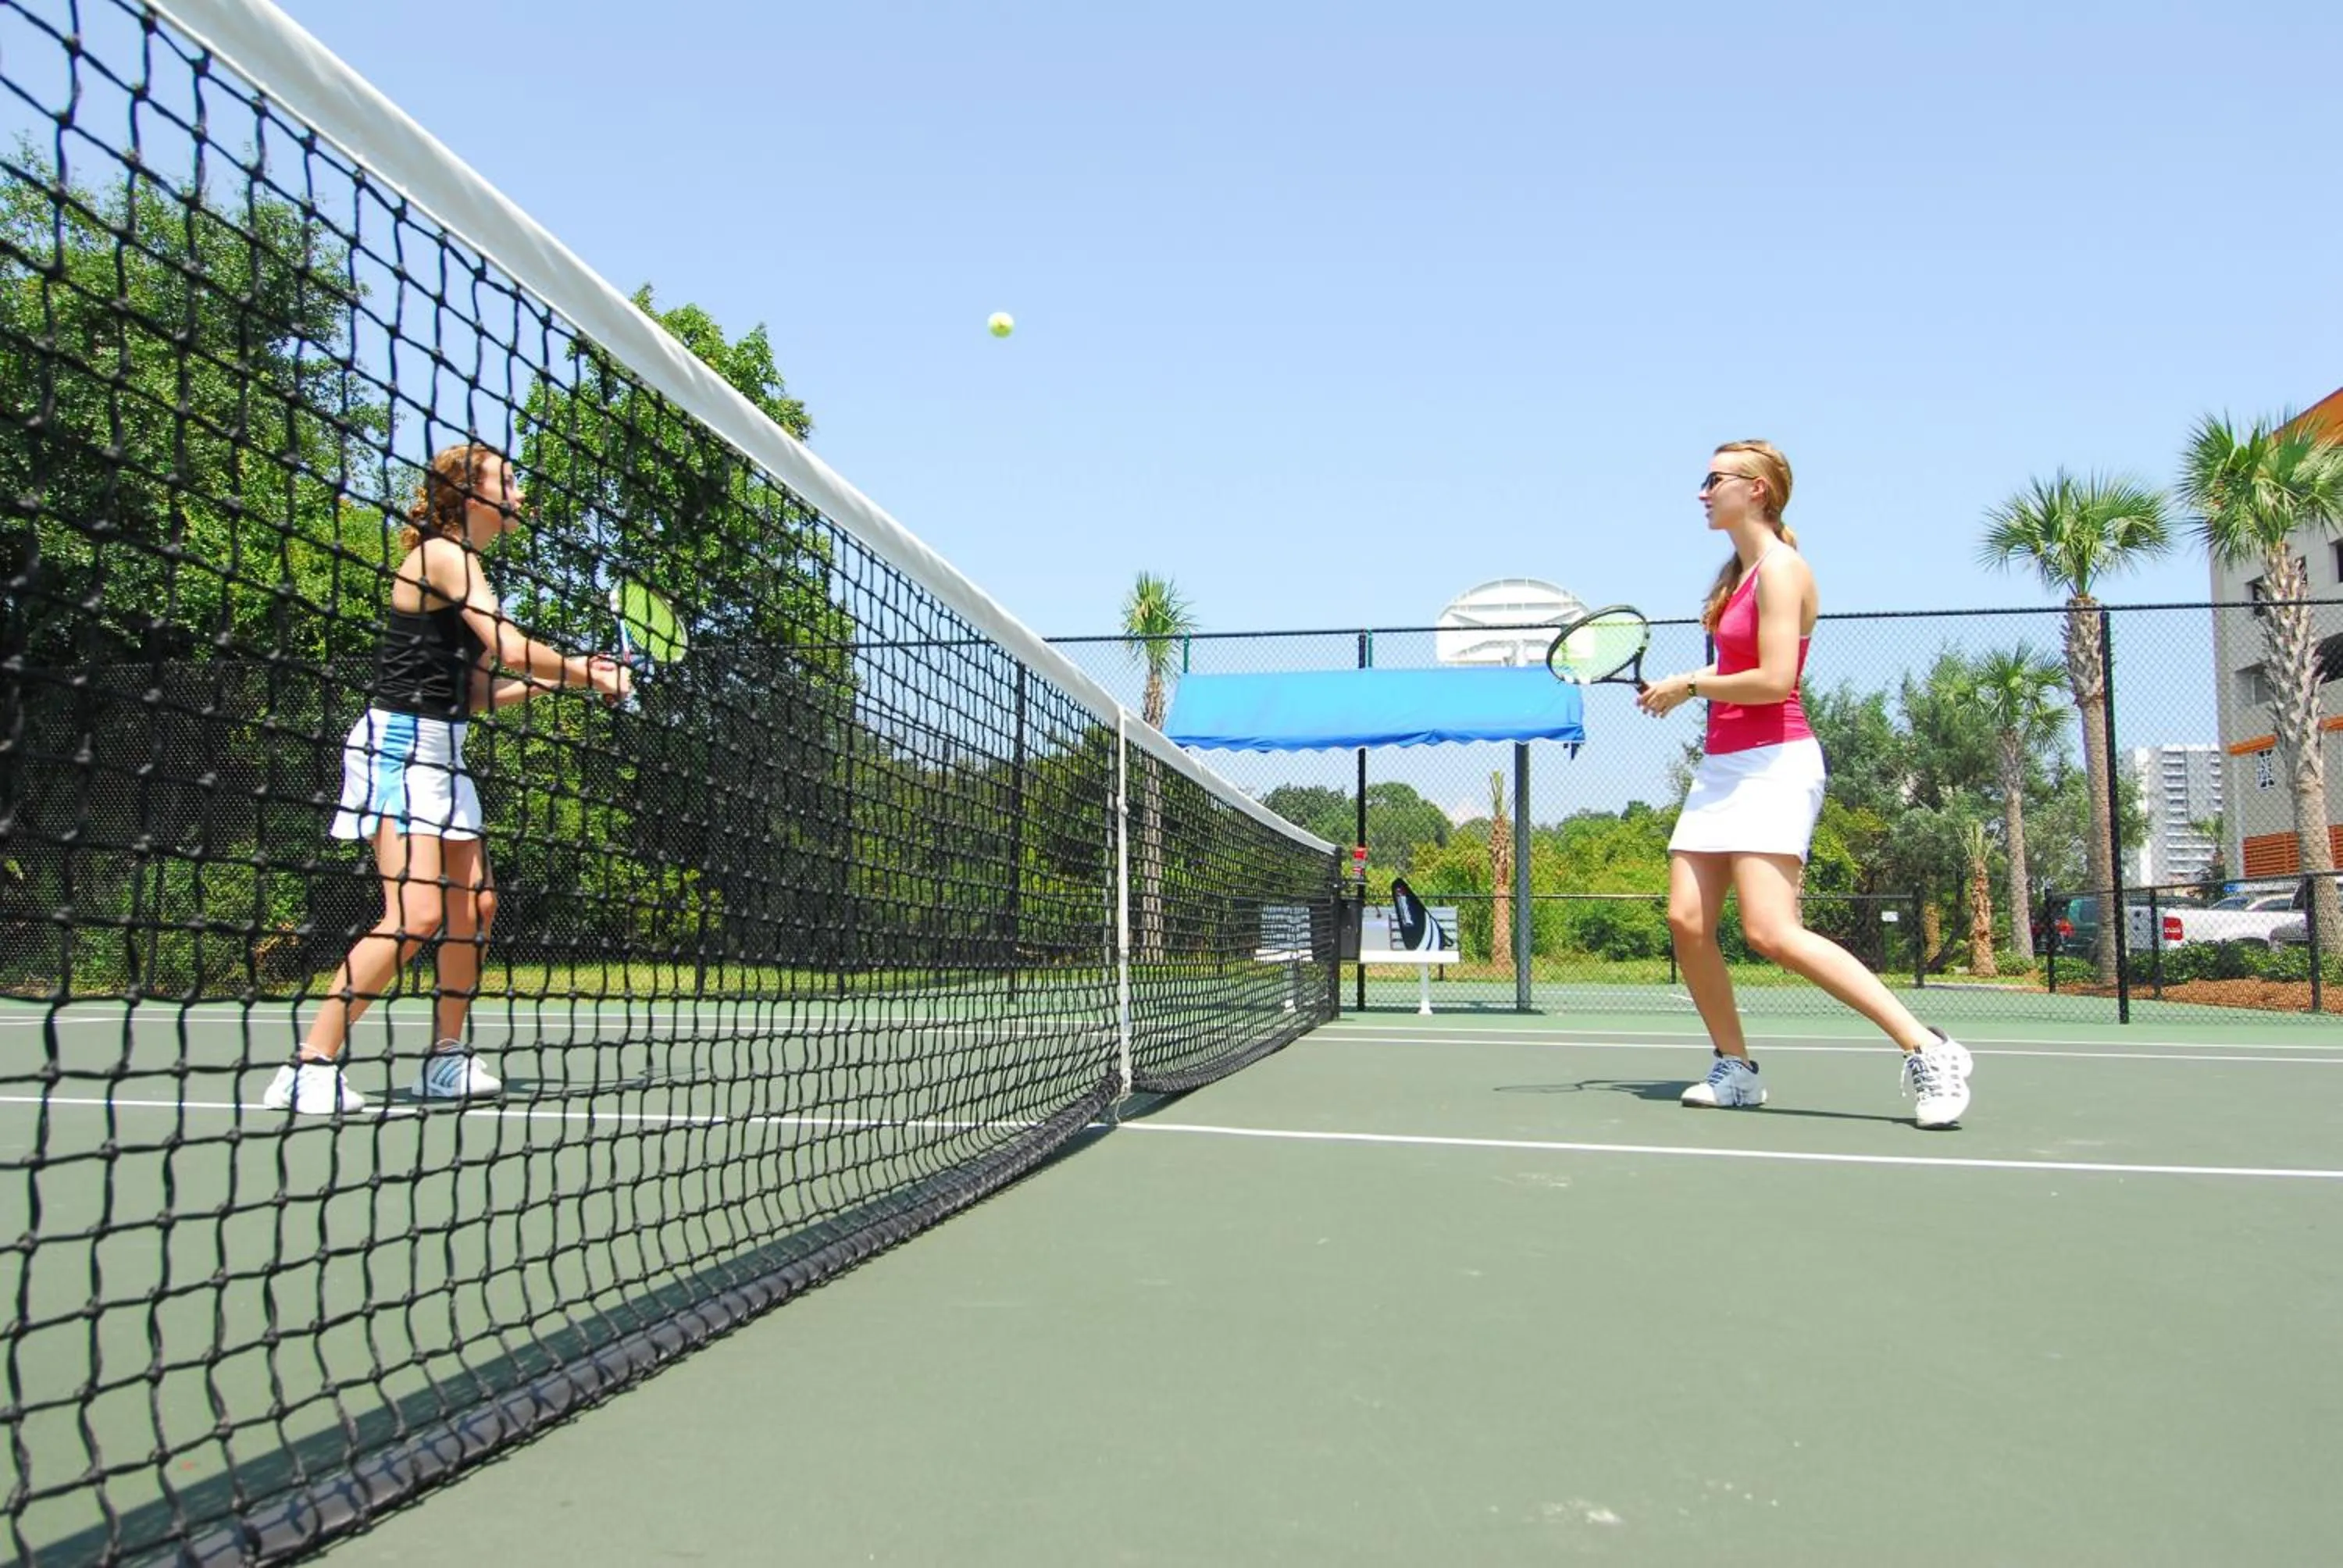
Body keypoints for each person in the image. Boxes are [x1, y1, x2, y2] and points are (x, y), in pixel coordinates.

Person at [263, 443, 630, 1114]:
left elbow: (477, 694)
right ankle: (308, 1064)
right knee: (417, 914)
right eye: (508, 482)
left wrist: (570, 682)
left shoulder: (473, 570)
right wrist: (586, 668)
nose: (520, 494)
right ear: (468, 495)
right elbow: (513, 648)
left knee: (475, 907)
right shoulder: (443, 555)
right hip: (399, 746)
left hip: (443, 749)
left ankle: (446, 1057)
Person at [1635, 440, 1973, 1128]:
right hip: (1723, 765)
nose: (1703, 492)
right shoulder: (1737, 577)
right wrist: (1685, 686)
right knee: (1686, 920)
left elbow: (1775, 680)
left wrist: (1689, 684)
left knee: (1771, 931)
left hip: (1775, 763)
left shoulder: (1784, 570)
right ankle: (1735, 1068)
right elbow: (1738, 674)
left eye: (1715, 479)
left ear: (1756, 489)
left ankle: (1927, 1046)